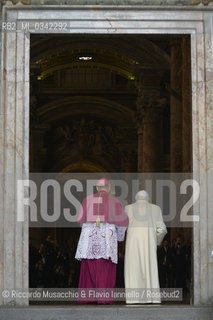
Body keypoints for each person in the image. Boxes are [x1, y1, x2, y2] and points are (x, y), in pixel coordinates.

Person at [75, 178, 129, 304]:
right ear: (108, 188)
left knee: (89, 265)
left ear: (97, 188)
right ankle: (103, 298)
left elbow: (81, 221)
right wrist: (119, 238)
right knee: (105, 266)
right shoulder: (115, 201)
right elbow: (123, 223)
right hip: (107, 239)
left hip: (90, 238)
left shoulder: (87, 200)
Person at [124, 190, 167, 304]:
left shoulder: (128, 208)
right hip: (149, 243)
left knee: (133, 269)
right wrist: (156, 241)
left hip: (132, 244)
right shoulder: (156, 209)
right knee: (150, 268)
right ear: (147, 198)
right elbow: (162, 229)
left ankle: (133, 299)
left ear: (136, 198)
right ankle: (151, 297)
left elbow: (121, 227)